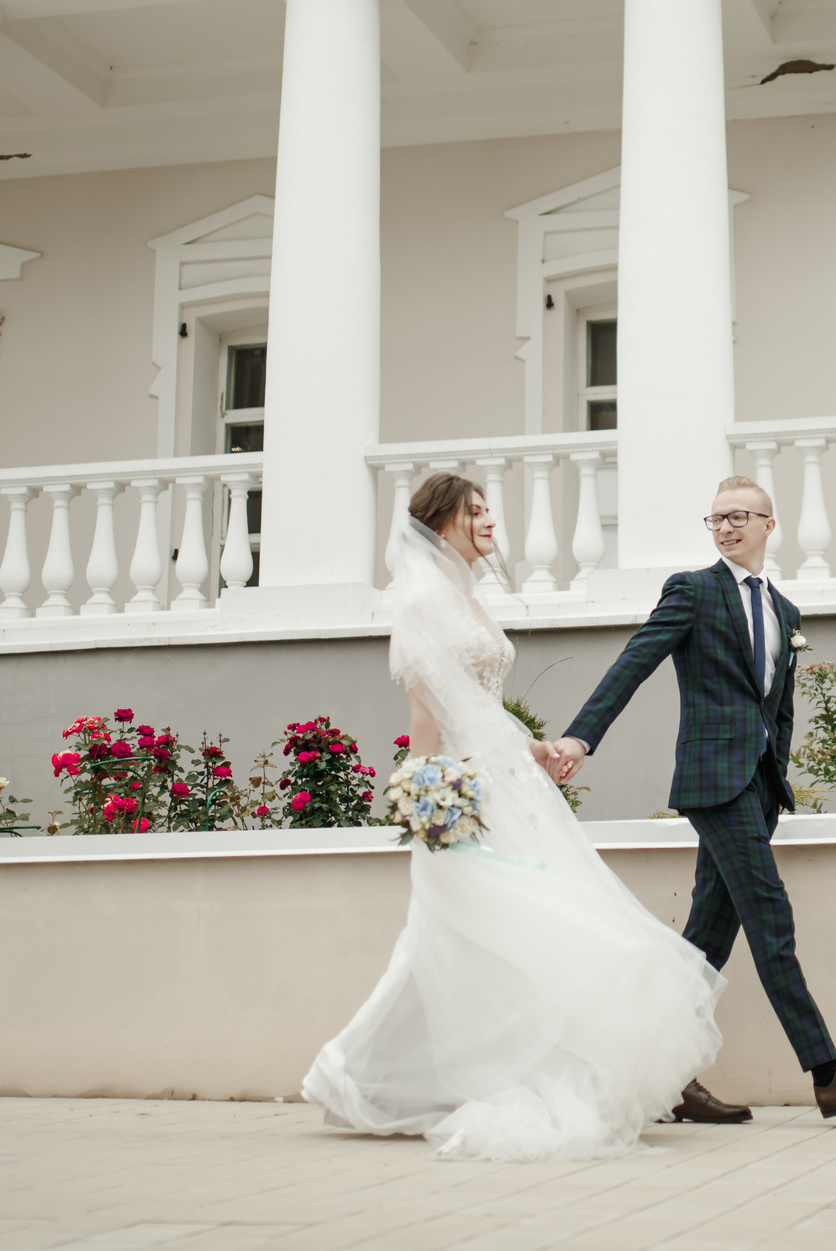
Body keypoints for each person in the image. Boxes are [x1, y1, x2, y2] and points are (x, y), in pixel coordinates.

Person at [301, 472, 724, 1161]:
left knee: (470, 940)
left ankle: (366, 1074)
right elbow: (427, 710)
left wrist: (533, 749)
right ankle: (375, 1075)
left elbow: (479, 704)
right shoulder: (421, 600)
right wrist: (428, 792)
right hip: (465, 793)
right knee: (497, 930)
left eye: (487, 509)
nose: (489, 521)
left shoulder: (467, 595)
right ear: (441, 523)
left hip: (512, 782)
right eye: (475, 511)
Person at [545, 475, 836, 1124]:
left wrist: (776, 780)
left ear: (770, 524)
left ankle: (666, 1079)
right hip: (714, 782)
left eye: (740, 516)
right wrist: (580, 737)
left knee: (705, 942)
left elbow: (779, 710)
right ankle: (828, 1074)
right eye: (716, 518)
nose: (727, 527)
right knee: (770, 914)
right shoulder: (693, 590)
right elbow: (634, 661)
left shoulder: (785, 611)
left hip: (758, 788)